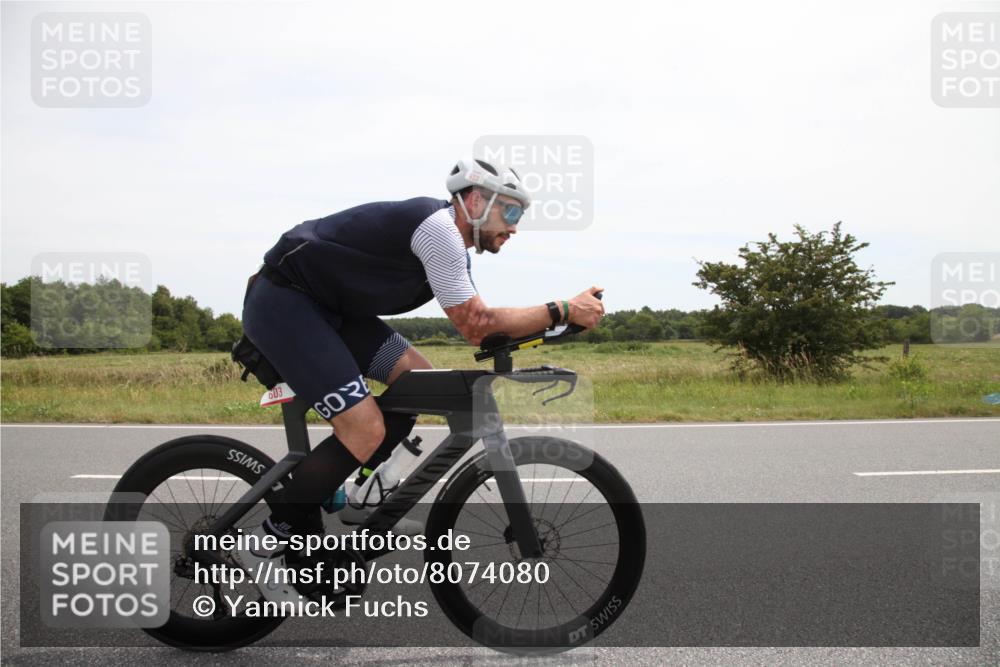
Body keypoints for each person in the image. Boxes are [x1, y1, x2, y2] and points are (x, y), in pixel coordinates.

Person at [237, 158, 605, 602]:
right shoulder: (439, 230)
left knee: (420, 382)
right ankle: (267, 541)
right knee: (364, 426)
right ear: (473, 200)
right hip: (286, 302)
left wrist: (554, 327)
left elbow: (486, 323)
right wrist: (562, 309)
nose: (515, 227)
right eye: (510, 212)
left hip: (330, 310)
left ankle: (369, 488)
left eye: (519, 216)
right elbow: (477, 324)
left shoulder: (450, 242)